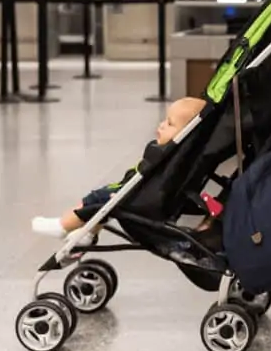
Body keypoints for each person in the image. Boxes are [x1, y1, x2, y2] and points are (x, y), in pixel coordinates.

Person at [31, 96, 217, 245]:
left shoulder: (171, 160)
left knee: (98, 200)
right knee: (102, 203)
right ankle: (87, 234)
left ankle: (62, 226)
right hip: (141, 195)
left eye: (169, 124)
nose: (161, 125)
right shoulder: (179, 159)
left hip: (138, 200)